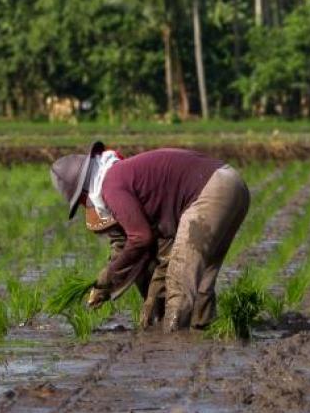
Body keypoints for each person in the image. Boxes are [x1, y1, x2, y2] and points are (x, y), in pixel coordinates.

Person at [50, 141, 250, 331]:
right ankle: (203, 337)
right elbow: (133, 243)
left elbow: (140, 238)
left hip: (210, 191)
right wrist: (105, 288)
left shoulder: (111, 186)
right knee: (201, 281)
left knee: (179, 283)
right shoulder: (122, 173)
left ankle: (175, 344)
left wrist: (106, 278)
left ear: (84, 192)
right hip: (231, 183)